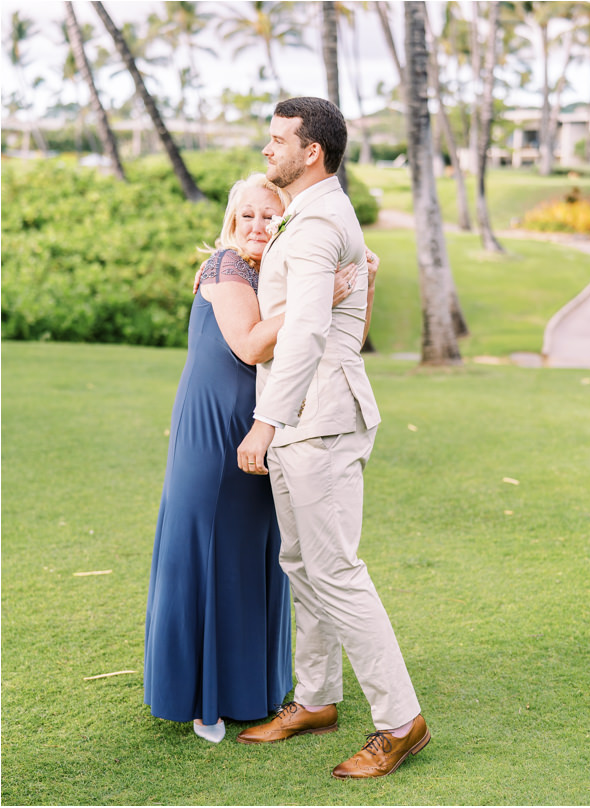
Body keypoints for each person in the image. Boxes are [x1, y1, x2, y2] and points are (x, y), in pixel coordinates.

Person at [234, 97, 428, 779]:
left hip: (316, 419)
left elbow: (310, 330)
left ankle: (401, 722)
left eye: (278, 140)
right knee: (301, 564)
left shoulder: (317, 222)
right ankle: (314, 699)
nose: (268, 150)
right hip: (303, 420)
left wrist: (268, 420)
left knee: (337, 571)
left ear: (310, 151)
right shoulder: (311, 216)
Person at [144, 173, 362, 743]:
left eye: (272, 215)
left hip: (266, 425)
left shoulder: (278, 270)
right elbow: (248, 344)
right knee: (210, 550)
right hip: (214, 431)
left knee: (254, 553)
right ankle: (204, 700)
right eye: (248, 216)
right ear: (231, 221)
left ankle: (254, 689)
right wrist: (321, 296)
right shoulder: (226, 267)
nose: (259, 226)